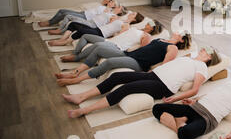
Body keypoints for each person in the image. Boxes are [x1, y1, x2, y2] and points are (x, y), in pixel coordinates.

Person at [62, 46, 221, 118]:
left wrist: (176, 98)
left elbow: (194, 90)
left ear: (209, 58)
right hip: (154, 75)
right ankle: (81, 96)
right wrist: (152, 71)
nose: (204, 49)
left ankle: (85, 110)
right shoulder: (190, 58)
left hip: (163, 86)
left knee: (128, 88)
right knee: (118, 77)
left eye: (208, 51)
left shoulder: (202, 67)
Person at [55, 32, 192, 86]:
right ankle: (75, 72)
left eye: (180, 33)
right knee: (98, 49)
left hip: (138, 63)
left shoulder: (172, 48)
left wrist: (149, 74)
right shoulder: (163, 39)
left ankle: (77, 79)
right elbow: (146, 47)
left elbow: (165, 65)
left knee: (109, 62)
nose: (177, 32)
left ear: (181, 39)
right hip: (129, 54)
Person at [47, 12, 143, 47]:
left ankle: (65, 42)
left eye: (133, 14)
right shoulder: (122, 20)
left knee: (81, 31)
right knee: (73, 24)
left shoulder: (126, 25)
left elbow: (120, 35)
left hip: (100, 33)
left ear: (134, 19)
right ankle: (62, 39)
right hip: (98, 29)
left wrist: (109, 40)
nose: (131, 13)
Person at [48, 5, 125, 35]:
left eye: (119, 7)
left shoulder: (114, 16)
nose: (117, 6)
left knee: (70, 18)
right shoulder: (109, 11)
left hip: (93, 25)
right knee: (68, 16)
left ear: (120, 11)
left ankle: (60, 30)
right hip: (90, 21)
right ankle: (60, 29)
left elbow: (110, 25)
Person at [38, 0, 119, 27]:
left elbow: (100, 17)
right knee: (61, 10)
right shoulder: (102, 6)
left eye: (113, 2)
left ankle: (49, 23)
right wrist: (104, 3)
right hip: (83, 13)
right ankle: (51, 21)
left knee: (65, 14)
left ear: (113, 6)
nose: (110, 1)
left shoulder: (107, 11)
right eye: (111, 1)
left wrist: (109, 9)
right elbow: (101, 5)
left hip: (85, 17)